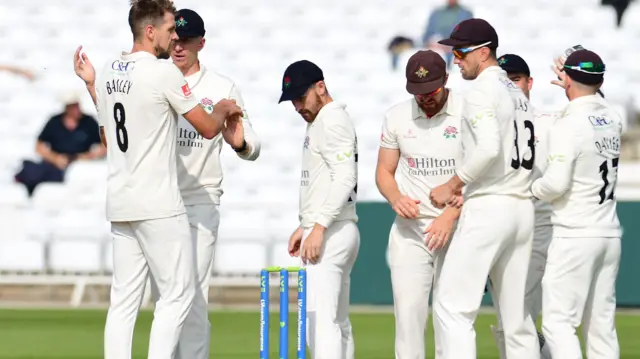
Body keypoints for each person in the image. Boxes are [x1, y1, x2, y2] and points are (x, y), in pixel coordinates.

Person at [74, 8, 260, 358]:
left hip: (126, 201)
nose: (174, 39)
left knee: (125, 301)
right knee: (179, 296)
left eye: (181, 35)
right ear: (150, 31)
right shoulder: (163, 73)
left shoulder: (111, 69)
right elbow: (207, 128)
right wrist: (220, 110)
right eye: (171, 30)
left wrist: (91, 85)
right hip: (160, 202)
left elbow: (110, 137)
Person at [429, 18, 540, 359]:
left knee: (452, 307)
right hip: (522, 208)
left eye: (461, 52)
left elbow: (489, 148)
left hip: (490, 206)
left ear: (484, 52)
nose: (456, 60)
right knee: (516, 319)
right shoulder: (514, 91)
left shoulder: (480, 91)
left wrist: (452, 183)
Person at [532, 49, 622, 359]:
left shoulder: (568, 124)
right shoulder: (611, 117)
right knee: (601, 326)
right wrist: (579, 81)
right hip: (608, 233)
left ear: (566, 79)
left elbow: (555, 185)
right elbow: (596, 97)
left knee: (558, 324)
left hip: (575, 234)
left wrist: (528, 187)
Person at [376, 50, 463, 359]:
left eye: (432, 91)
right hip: (411, 231)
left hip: (456, 229)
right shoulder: (397, 116)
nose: (425, 98)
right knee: (409, 318)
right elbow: (384, 172)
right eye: (417, 92)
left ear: (447, 80)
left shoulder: (468, 112)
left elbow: (482, 174)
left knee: (450, 317)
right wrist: (396, 198)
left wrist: (451, 214)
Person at [279, 60, 359, 359]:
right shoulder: (322, 120)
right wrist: (307, 225)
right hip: (334, 228)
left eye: (301, 97)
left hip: (332, 232)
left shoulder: (331, 120)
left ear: (320, 88)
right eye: (293, 101)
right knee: (336, 322)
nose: (298, 106)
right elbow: (323, 180)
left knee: (320, 324)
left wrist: (319, 227)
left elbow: (345, 177)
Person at [489, 53, 557, 359]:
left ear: (529, 82)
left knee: (516, 316)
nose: (511, 87)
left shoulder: (551, 123)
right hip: (499, 228)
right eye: (505, 82)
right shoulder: (488, 123)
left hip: (538, 229)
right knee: (509, 318)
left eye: (515, 79)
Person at [14, 91, 105, 195]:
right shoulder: (54, 122)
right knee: (33, 171)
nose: (77, 109)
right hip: (56, 164)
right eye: (73, 106)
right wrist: (55, 159)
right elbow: (39, 146)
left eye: (77, 105)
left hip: (79, 165)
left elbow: (104, 145)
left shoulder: (88, 122)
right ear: (67, 108)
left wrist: (86, 157)